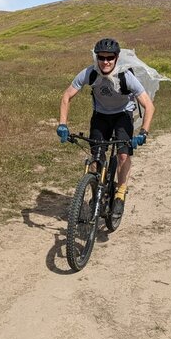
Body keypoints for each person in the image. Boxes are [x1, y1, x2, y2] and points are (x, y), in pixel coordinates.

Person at [57, 37, 155, 218]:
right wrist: (62, 124)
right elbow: (66, 97)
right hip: (101, 116)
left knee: (123, 154)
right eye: (101, 57)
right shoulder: (89, 73)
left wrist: (143, 132)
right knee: (96, 157)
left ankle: (120, 193)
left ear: (117, 58)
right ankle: (95, 193)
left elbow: (149, 106)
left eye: (110, 57)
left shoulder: (126, 76)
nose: (105, 62)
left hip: (122, 116)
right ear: (96, 58)